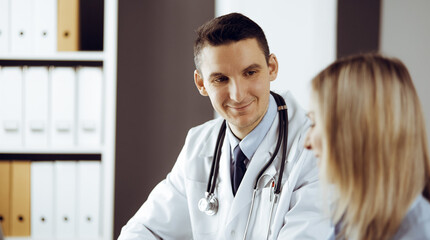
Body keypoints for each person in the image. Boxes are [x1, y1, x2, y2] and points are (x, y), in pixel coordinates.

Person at [118, 12, 332, 239]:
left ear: (271, 68)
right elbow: (143, 231)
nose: (237, 95)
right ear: (201, 83)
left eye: (250, 72)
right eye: (220, 79)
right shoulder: (199, 145)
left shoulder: (314, 146)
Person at [304, 53, 430, 240]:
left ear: (355, 132)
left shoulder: (421, 233)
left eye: (314, 123)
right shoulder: (351, 221)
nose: (306, 143)